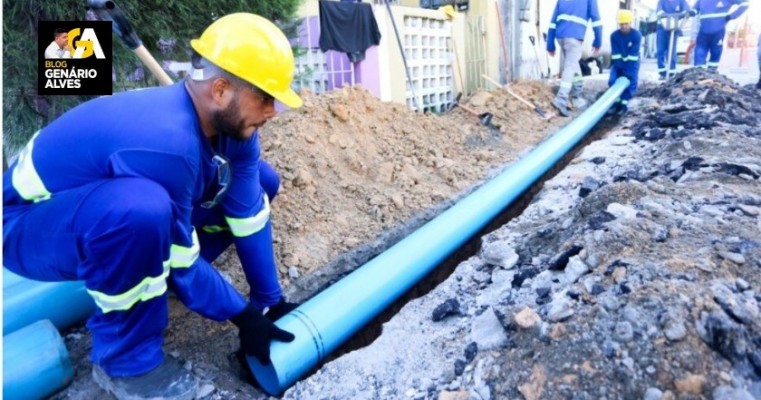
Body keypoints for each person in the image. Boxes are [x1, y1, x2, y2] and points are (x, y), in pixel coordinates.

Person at [4, 13, 301, 400]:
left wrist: (268, 302)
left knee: (263, 181)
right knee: (141, 211)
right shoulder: (167, 143)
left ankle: (154, 280)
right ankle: (126, 363)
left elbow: (248, 214)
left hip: (97, 208)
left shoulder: (233, 131)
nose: (272, 110)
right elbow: (183, 258)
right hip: (30, 224)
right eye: (264, 96)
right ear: (222, 90)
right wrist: (243, 318)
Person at [546, 0, 602, 117]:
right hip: (574, 36)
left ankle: (577, 93)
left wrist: (550, 44)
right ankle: (561, 99)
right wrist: (597, 40)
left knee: (573, 64)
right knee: (570, 66)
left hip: (560, 36)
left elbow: (553, 22)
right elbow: (596, 19)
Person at [690, 0, 748, 72]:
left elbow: (745, 3)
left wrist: (731, 16)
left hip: (718, 31)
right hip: (703, 31)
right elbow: (694, 10)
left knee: (715, 52)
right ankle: (699, 73)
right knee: (699, 52)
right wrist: (691, 12)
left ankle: (712, 73)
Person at [607, 10, 641, 116]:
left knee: (630, 84)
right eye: (622, 24)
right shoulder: (614, 36)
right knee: (612, 81)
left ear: (630, 23)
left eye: (626, 23)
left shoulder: (636, 35)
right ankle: (615, 103)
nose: (624, 26)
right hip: (618, 64)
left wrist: (627, 73)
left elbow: (633, 55)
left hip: (632, 64)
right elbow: (616, 54)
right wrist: (619, 68)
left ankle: (624, 105)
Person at [655, 0, 690, 80]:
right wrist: (669, 16)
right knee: (660, 51)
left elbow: (686, 10)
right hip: (662, 28)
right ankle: (662, 73)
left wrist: (681, 14)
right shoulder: (662, 1)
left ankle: (671, 73)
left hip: (675, 28)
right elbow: (659, 11)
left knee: (671, 51)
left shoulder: (681, 1)